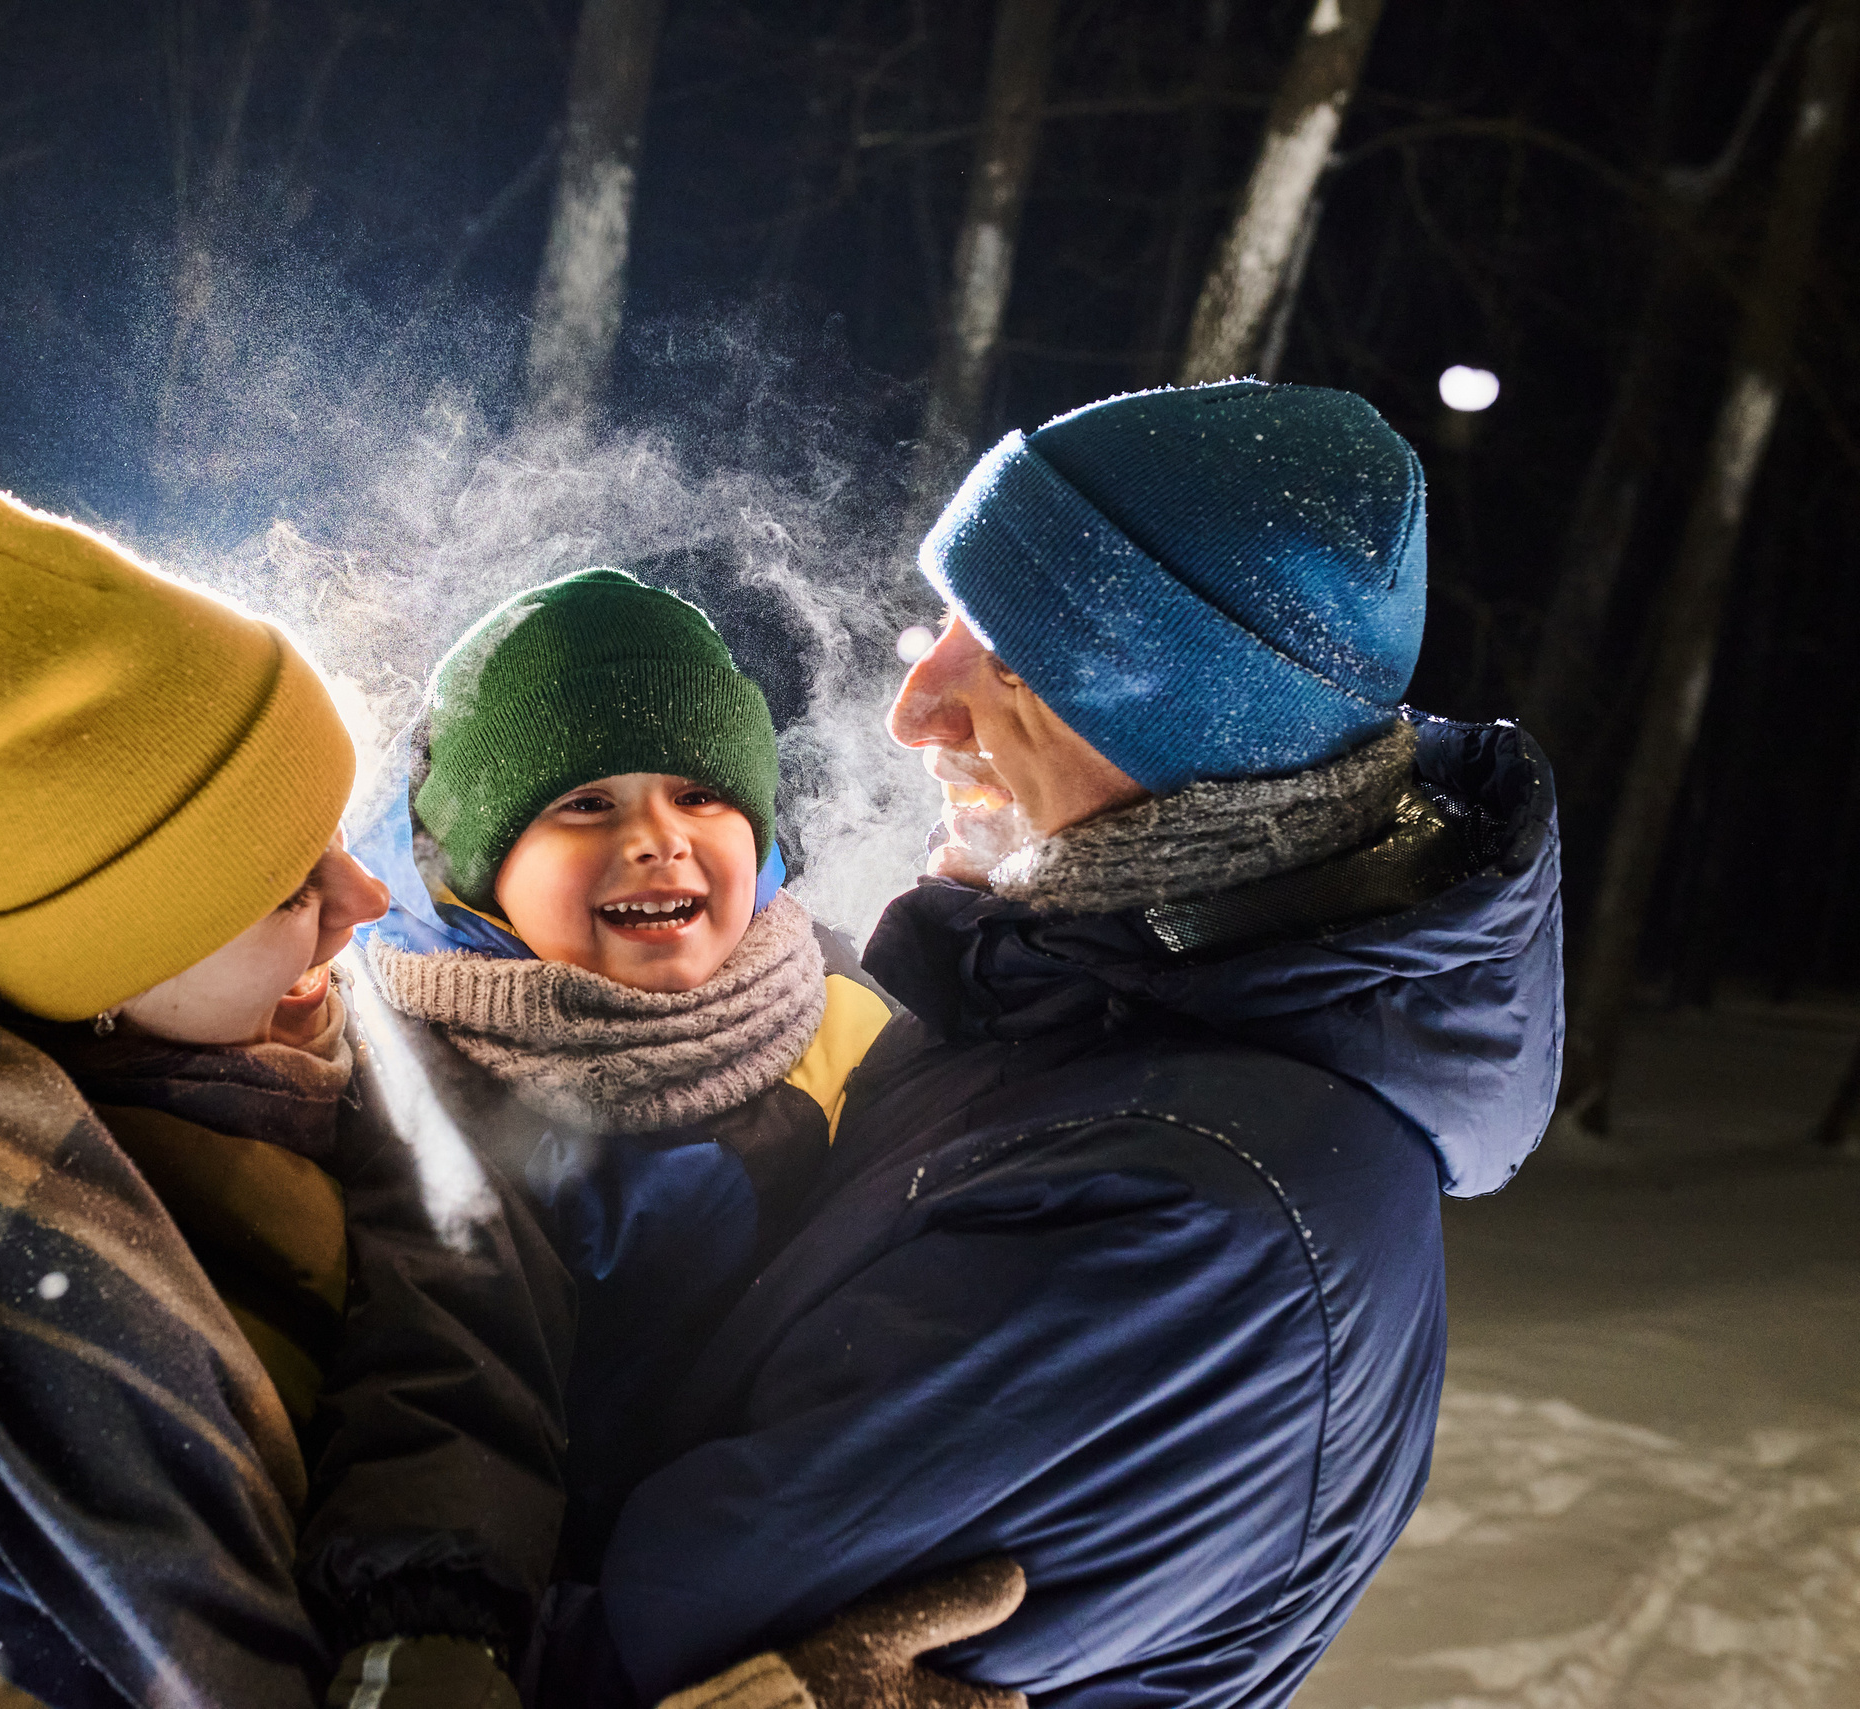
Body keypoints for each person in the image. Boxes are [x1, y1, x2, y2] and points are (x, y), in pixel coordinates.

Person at [591, 380, 1564, 1709]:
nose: (915, 711)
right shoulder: (1084, 1020)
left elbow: (633, 1624)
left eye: (1011, 664)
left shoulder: (1182, 1204)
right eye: (937, 626)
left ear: (1178, 735)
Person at [0, 481, 571, 1709]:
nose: (363, 901)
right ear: (113, 973)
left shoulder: (330, 1083)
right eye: (284, 892)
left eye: (334, 838)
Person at [347, 568, 895, 1594]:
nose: (655, 837)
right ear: (472, 869)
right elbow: (426, 1374)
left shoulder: (852, 1030)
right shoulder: (385, 1052)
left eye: (700, 794)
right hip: (478, 1578)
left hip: (718, 1577)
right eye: (585, 802)